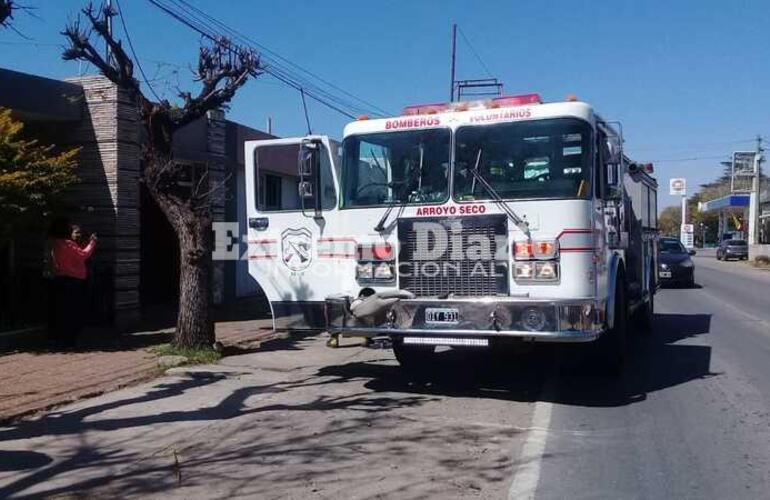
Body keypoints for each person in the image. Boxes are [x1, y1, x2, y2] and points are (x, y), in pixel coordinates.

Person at [48, 219, 97, 349]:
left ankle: (57, 338)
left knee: (61, 310)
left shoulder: (54, 243)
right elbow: (83, 255)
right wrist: (92, 243)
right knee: (74, 311)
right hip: (73, 281)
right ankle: (70, 340)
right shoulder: (68, 244)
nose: (78, 235)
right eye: (75, 232)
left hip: (59, 279)